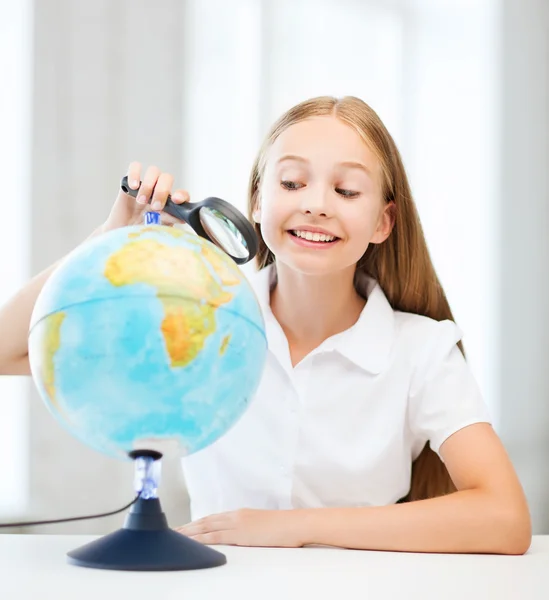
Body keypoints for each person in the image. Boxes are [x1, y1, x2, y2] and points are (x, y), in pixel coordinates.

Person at [0, 96, 531, 554]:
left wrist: (293, 529)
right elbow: (8, 351)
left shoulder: (423, 351)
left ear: (382, 222)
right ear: (257, 201)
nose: (317, 205)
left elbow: (506, 519)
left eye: (346, 191)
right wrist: (110, 236)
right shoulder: (197, 318)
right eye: (293, 182)